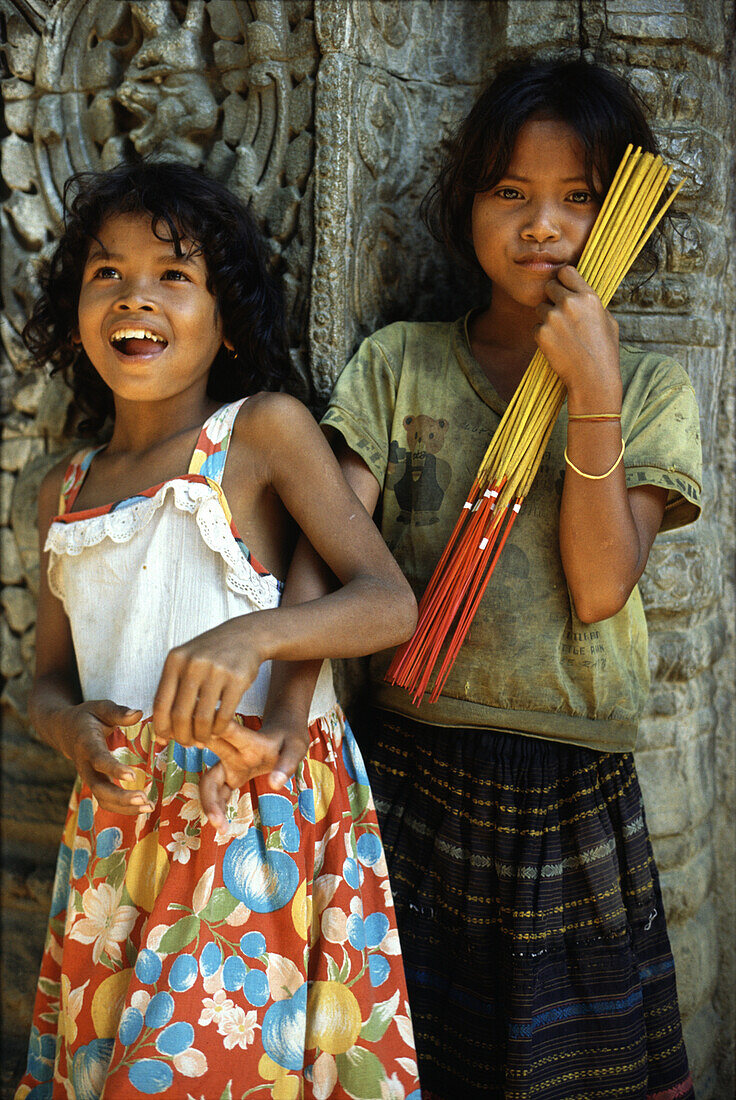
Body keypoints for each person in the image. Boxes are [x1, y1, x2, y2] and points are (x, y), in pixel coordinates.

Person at [236, 58, 702, 1099]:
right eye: (511, 192)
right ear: (466, 206)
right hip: (413, 767)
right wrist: (281, 693)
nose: (543, 224)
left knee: (566, 1070)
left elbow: (597, 588)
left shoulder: (653, 390)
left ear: (618, 216)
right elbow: (331, 538)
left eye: (578, 198)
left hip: (570, 783)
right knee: (410, 1053)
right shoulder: (399, 361)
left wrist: (591, 389)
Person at [16, 160, 421, 1100]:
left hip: (254, 823)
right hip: (117, 843)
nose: (136, 297)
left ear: (227, 319)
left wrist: (257, 635)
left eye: (174, 275)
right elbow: (42, 682)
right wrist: (67, 728)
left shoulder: (260, 435)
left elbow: (387, 601)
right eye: (106, 273)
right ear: (77, 313)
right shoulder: (62, 493)